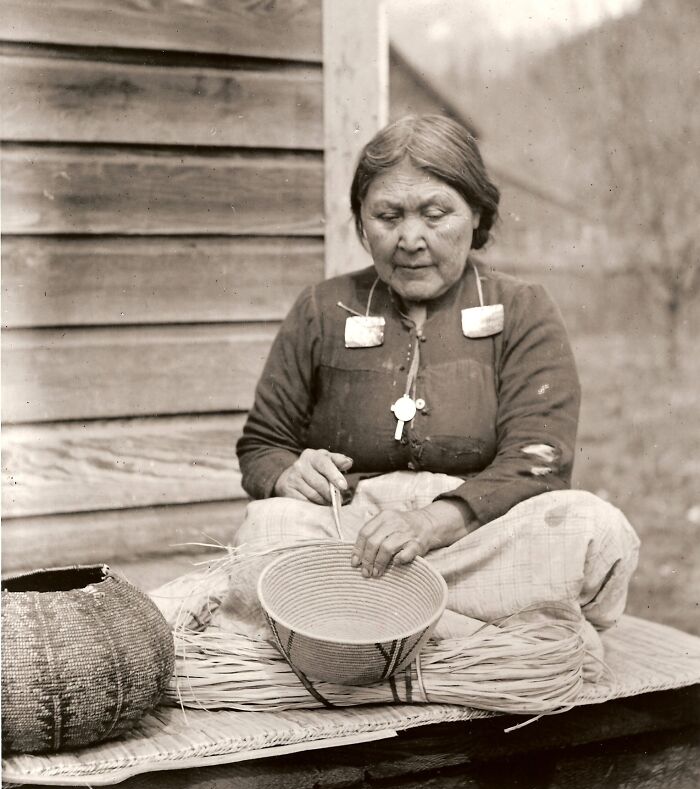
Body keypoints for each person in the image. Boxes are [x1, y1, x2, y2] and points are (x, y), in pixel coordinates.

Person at [228, 115, 638, 643]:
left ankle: (352, 629)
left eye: (435, 213)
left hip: (475, 538)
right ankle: (470, 633)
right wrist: (288, 475)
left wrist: (429, 524)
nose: (410, 239)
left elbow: (540, 458)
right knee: (270, 528)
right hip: (350, 542)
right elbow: (263, 445)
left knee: (596, 532)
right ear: (361, 222)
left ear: (477, 216)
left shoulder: (522, 307)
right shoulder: (321, 309)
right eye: (387, 216)